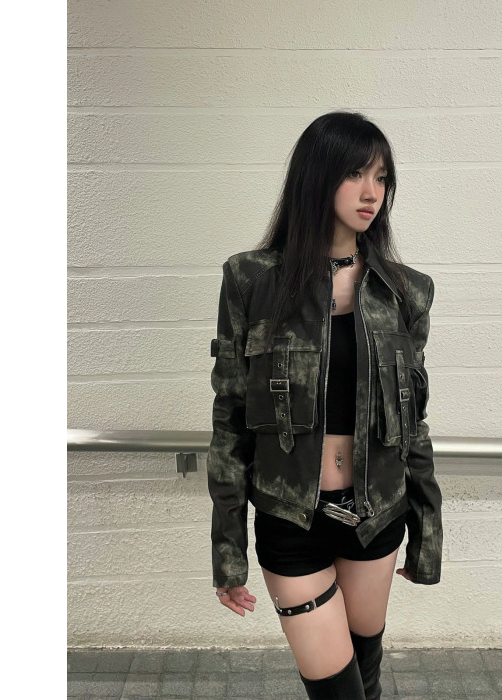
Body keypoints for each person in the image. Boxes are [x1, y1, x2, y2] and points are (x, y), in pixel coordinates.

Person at [207, 111, 443, 699]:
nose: (371, 193)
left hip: (376, 517)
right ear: (317, 177)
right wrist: (228, 550)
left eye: (381, 178)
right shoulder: (252, 281)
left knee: (366, 679)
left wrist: (427, 532)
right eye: (355, 174)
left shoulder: (406, 291)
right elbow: (230, 418)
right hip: (291, 517)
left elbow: (412, 424)